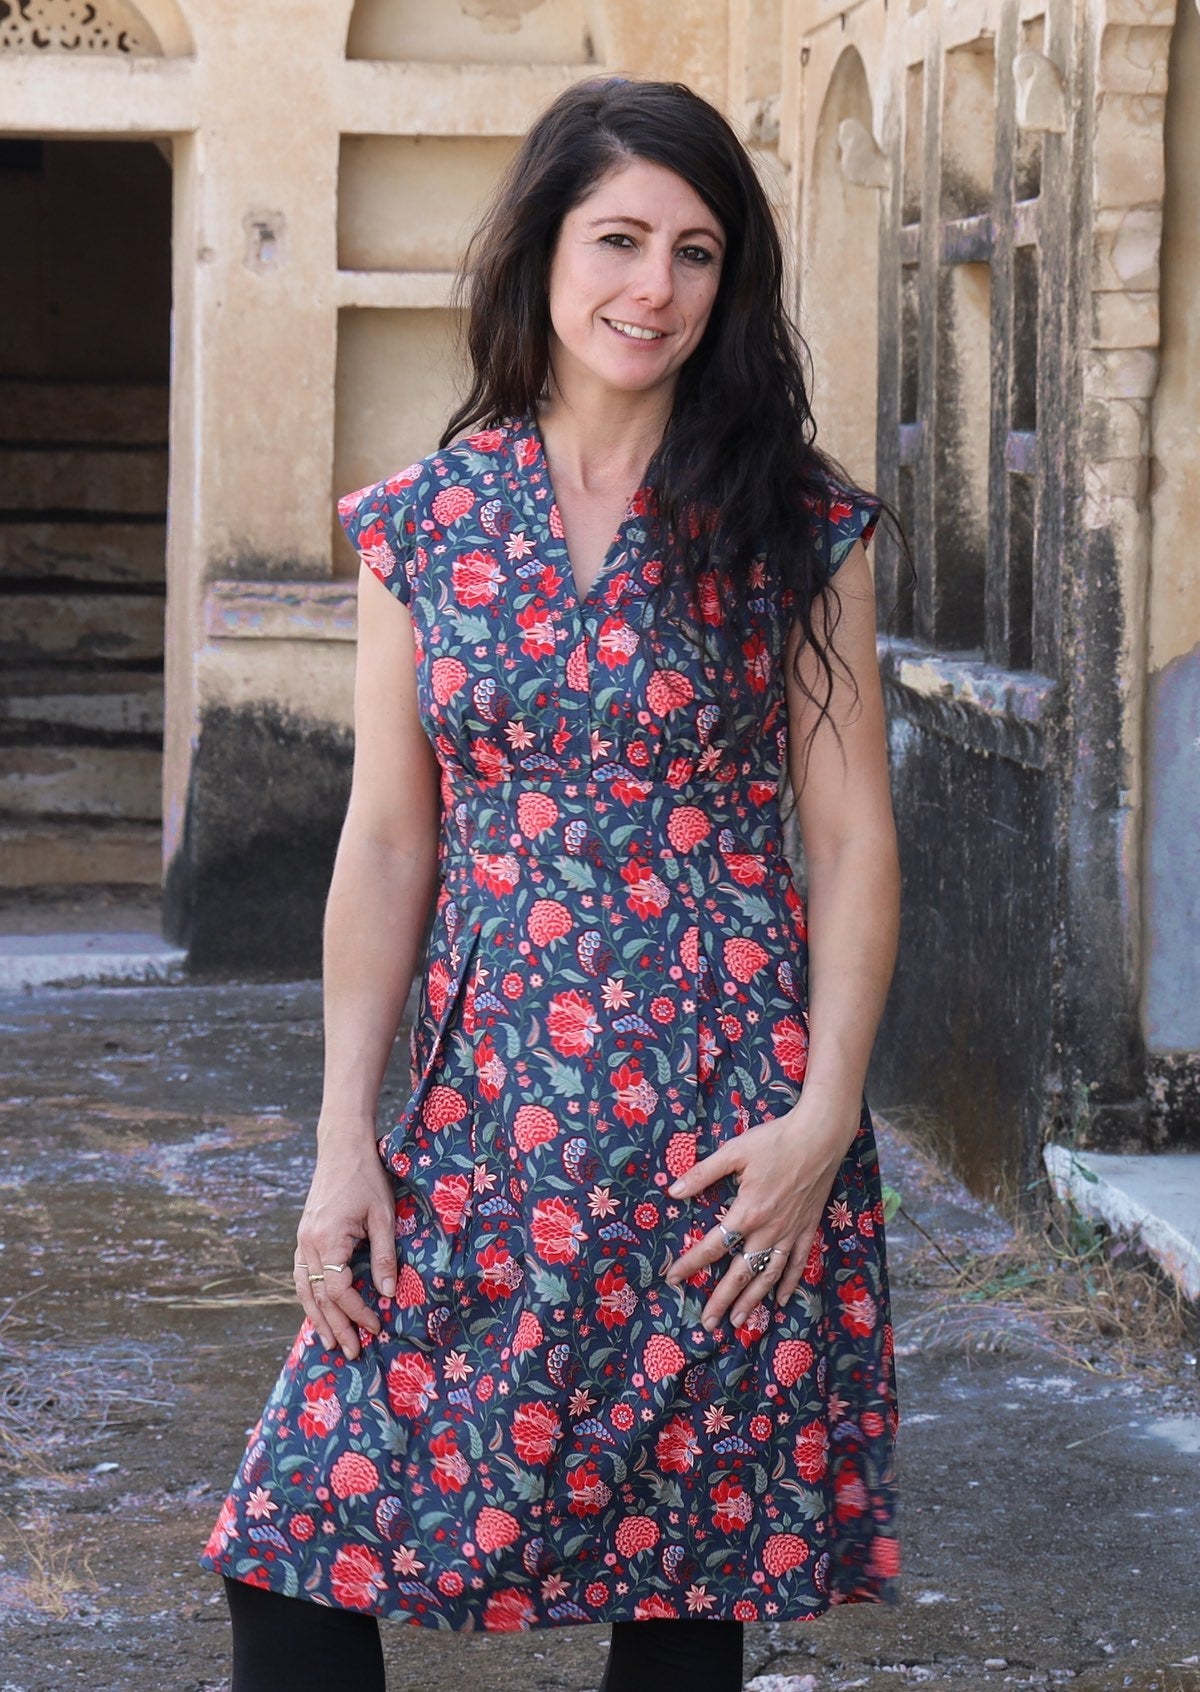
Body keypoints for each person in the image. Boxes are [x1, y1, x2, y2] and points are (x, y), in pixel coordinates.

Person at [199, 75, 903, 1692]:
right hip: (473, 1127)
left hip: (723, 1137)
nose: (654, 286)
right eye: (619, 239)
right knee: (298, 1548)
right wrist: (340, 1144)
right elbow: (388, 839)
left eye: (698, 251)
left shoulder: (797, 527)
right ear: (541, 251)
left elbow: (854, 836)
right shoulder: (427, 525)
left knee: (679, 1593)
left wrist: (825, 1120)